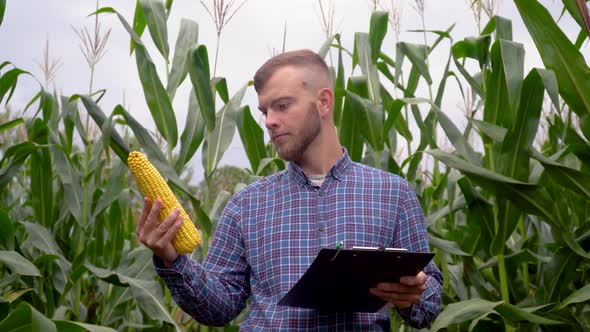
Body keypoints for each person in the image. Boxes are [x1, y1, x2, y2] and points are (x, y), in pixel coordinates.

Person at [136, 49, 443, 330]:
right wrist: (171, 259)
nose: (269, 121)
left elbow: (428, 303)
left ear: (323, 102)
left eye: (282, 106)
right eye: (265, 111)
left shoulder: (393, 194)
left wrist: (415, 293)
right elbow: (221, 307)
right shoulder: (246, 205)